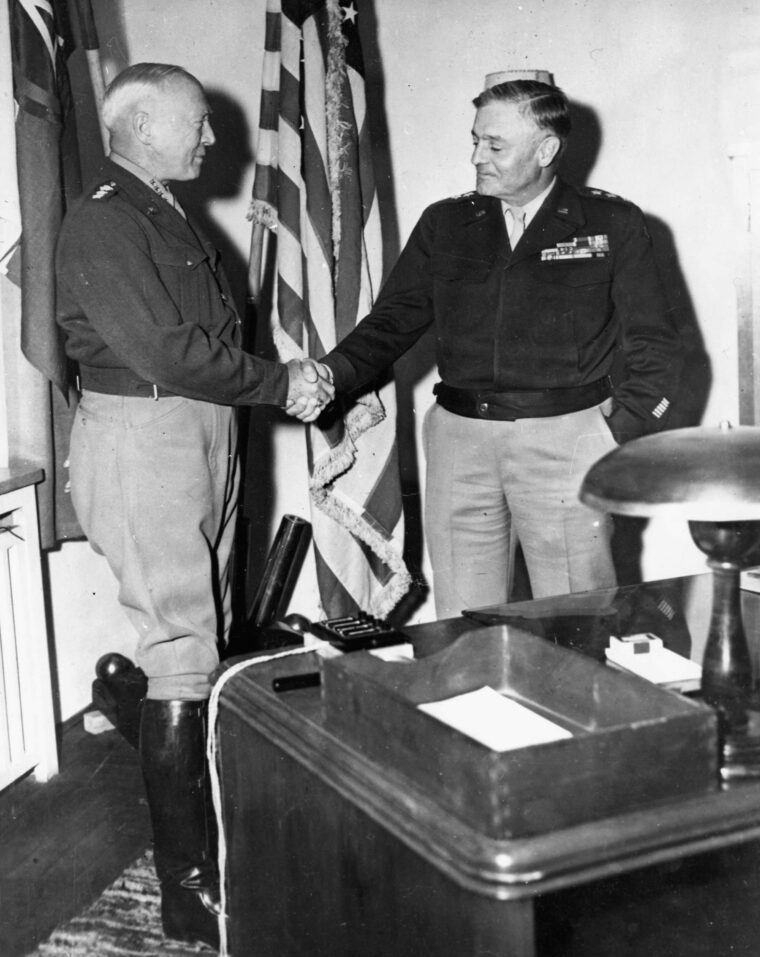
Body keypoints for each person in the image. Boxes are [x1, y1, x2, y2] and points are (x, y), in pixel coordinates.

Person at [55, 63, 331, 949]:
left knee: (198, 639)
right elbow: (170, 350)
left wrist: (283, 384)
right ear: (140, 128)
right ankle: (189, 888)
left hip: (198, 430)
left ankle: (201, 845)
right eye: (197, 124)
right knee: (181, 650)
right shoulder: (103, 221)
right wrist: (280, 382)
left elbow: (206, 337)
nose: (212, 140)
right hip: (149, 436)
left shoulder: (160, 212)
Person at [296, 79, 682, 619]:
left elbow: (657, 349)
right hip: (459, 441)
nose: (476, 156)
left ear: (545, 150)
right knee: (465, 618)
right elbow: (392, 321)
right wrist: (332, 373)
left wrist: (613, 437)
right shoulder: (447, 222)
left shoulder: (610, 224)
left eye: (494, 145)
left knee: (576, 617)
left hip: (566, 441)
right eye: (476, 140)